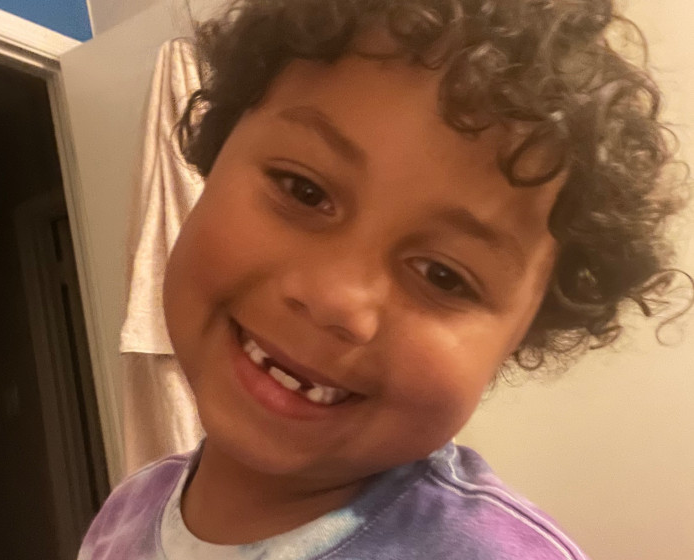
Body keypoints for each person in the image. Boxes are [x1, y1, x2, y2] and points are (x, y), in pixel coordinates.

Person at [78, 0, 691, 558]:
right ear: (214, 156)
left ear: (521, 337)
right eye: (303, 190)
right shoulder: (125, 513)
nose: (335, 299)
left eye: (443, 276)